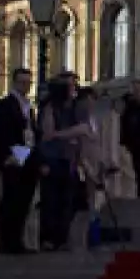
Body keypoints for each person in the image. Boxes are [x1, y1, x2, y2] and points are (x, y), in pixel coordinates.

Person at [38, 76, 92, 251]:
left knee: (67, 200)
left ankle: (62, 238)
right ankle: (49, 238)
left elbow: (85, 129)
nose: (73, 90)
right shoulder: (50, 108)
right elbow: (48, 133)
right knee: (51, 200)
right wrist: (68, 134)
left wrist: (62, 134)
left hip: (69, 159)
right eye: (70, 87)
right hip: (52, 158)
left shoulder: (74, 108)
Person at [0, 68, 39, 253]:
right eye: (22, 82)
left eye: (28, 82)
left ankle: (17, 240)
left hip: (28, 156)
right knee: (11, 200)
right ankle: (7, 241)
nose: (25, 86)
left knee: (24, 201)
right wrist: (8, 155)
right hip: (13, 157)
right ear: (14, 83)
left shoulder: (29, 107)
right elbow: (2, 132)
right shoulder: (5, 105)